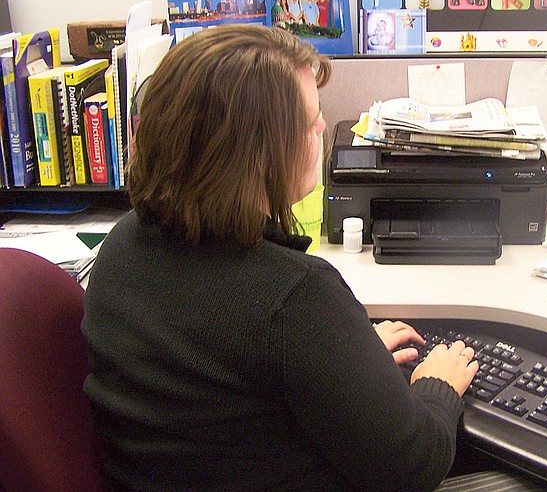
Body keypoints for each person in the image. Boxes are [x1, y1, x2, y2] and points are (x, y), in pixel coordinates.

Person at [81, 24, 481, 490]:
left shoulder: (123, 245)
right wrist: (437, 385)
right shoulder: (294, 298)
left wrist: (345, 360)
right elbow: (414, 467)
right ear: (256, 152)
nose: (321, 127)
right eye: (310, 119)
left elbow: (230, 383)